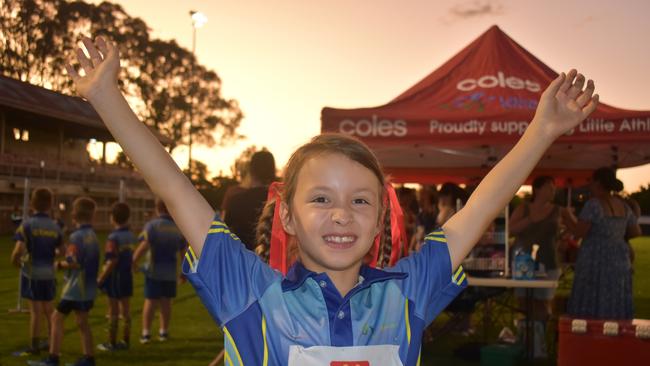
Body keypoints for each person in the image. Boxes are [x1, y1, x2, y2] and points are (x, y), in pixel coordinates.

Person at [65, 35, 598, 365]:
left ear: (380, 219)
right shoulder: (249, 291)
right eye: (321, 198)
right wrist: (108, 97)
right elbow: (177, 190)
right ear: (289, 219)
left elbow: (477, 210)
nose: (342, 213)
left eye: (361, 201)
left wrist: (543, 129)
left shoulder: (406, 294)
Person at [29, 197, 100, 366]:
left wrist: (58, 264)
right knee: (82, 322)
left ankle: (53, 358)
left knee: (56, 318)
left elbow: (74, 261)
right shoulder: (93, 236)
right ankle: (89, 358)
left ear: (75, 215)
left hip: (75, 288)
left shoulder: (76, 237)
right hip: (88, 288)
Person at [565, 167, 642, 319]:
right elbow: (636, 231)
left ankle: (590, 335)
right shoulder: (624, 206)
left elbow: (580, 232)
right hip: (620, 259)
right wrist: (616, 234)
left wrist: (566, 216)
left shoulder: (593, 205)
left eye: (591, 181)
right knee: (615, 297)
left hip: (595, 258)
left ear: (598, 183)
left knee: (591, 297)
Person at [509, 176, 565, 357]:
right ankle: (525, 341)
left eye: (553, 188)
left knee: (543, 302)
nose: (553, 191)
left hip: (548, 262)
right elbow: (511, 229)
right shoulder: (524, 208)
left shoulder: (558, 210)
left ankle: (538, 343)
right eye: (549, 187)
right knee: (524, 302)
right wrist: (530, 220)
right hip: (523, 262)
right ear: (537, 190)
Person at [11, 188, 64, 356]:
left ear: (32, 204)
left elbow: (18, 250)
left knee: (35, 311)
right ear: (50, 205)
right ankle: (51, 343)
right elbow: (62, 250)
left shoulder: (27, 224)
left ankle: (34, 345)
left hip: (32, 273)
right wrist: (52, 254)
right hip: (48, 274)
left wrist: (15, 261)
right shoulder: (55, 226)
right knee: (49, 310)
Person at [132, 199, 187, 344]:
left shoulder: (152, 226)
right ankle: (163, 332)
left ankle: (146, 333)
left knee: (150, 301)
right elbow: (183, 252)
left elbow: (144, 245)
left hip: (153, 271)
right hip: (170, 272)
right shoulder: (178, 228)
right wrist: (183, 272)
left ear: (157, 209)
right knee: (166, 302)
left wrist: (134, 261)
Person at [96, 202, 136, 351]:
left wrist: (101, 278)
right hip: (127, 276)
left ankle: (111, 342)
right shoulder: (131, 236)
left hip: (115, 277)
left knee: (113, 310)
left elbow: (112, 260)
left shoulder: (113, 237)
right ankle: (126, 340)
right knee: (126, 309)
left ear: (112, 217)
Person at [223, 150, 276, 251]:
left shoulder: (235, 201)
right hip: (273, 263)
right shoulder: (282, 202)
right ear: (272, 171)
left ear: (251, 171)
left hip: (241, 263)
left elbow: (224, 234)